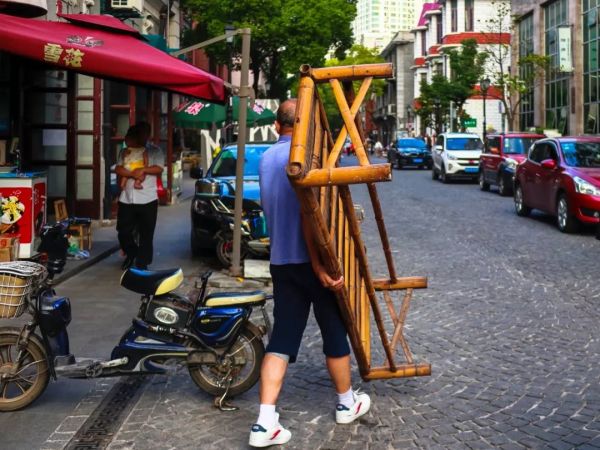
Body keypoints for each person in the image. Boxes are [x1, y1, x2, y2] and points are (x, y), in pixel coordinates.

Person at [249, 99, 371, 448]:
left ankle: (264, 421)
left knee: (282, 339)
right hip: (313, 261)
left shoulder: (266, 158)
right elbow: (308, 213)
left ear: (277, 126)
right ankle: (346, 403)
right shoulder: (308, 158)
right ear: (307, 125)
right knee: (334, 329)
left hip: (281, 260)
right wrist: (320, 265)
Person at [115, 122, 164, 270]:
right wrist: (132, 173)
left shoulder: (154, 151)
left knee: (146, 234)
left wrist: (143, 170)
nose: (141, 136)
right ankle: (132, 253)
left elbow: (159, 168)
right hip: (127, 198)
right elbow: (118, 168)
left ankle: (142, 263)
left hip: (147, 198)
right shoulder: (125, 151)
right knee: (123, 231)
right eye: (139, 133)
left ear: (148, 134)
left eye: (144, 133)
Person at [120, 126, 148, 190]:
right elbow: (146, 159)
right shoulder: (142, 149)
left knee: (125, 176)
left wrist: (125, 160)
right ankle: (137, 183)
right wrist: (145, 166)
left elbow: (124, 157)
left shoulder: (128, 149)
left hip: (128, 166)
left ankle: (122, 184)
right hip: (138, 166)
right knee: (142, 176)